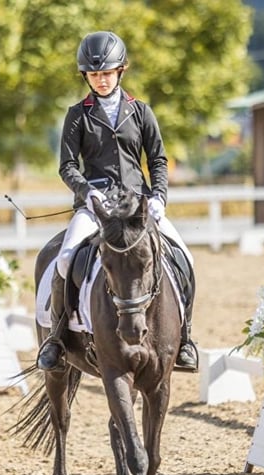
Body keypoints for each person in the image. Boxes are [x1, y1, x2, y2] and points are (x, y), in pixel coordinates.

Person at [36, 30, 198, 372]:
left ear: (120, 71)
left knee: (186, 257)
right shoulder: (77, 114)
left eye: (106, 73)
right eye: (94, 75)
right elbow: (66, 165)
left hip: (138, 207)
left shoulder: (141, 112)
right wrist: (86, 191)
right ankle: (57, 339)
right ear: (86, 76)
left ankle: (184, 339)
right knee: (65, 259)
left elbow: (157, 160)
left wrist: (159, 197)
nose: (101, 80)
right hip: (95, 208)